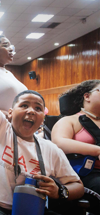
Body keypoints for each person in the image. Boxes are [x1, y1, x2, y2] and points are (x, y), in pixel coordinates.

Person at [0, 15, 84, 215]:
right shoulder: (0, 130)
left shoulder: (49, 148)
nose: (30, 111)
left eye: (37, 108)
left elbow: (76, 185)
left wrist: (60, 191)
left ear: (43, 116)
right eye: (24, 105)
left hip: (33, 207)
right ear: (10, 112)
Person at [52, 80, 100, 214]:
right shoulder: (69, 120)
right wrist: (97, 150)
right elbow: (59, 142)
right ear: (87, 96)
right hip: (85, 174)